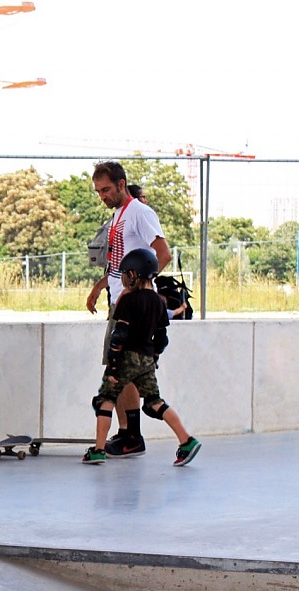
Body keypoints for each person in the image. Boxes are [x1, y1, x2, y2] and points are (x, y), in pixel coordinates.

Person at [83, 248, 201, 466]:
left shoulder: (127, 301)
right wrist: (153, 357)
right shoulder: (159, 302)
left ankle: (98, 450)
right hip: (147, 359)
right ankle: (186, 440)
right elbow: (162, 338)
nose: (125, 278)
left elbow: (119, 336)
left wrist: (113, 365)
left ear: (134, 275)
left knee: (105, 400)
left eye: (126, 274)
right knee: (155, 402)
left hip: (126, 358)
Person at [85, 161, 171, 458]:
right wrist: (101, 286)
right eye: (98, 191)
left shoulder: (139, 213)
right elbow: (121, 261)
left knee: (121, 369)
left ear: (122, 184)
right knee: (121, 369)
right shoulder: (118, 216)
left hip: (132, 306)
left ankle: (131, 435)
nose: (102, 196)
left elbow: (162, 253)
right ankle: (126, 433)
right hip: (119, 300)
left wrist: (140, 291)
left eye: (106, 189)